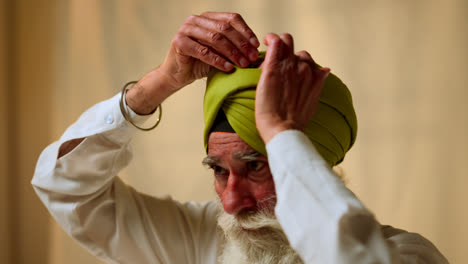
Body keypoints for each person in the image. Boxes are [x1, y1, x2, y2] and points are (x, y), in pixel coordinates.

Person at [32, 12, 448, 264]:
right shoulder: (202, 238)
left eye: (256, 166)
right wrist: (157, 85)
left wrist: (281, 130)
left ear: (310, 161)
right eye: (218, 170)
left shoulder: (407, 255)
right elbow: (66, 189)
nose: (232, 202)